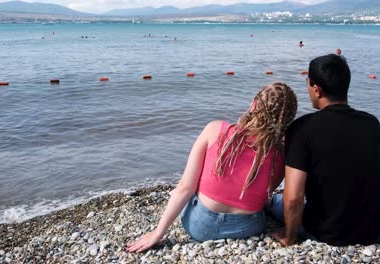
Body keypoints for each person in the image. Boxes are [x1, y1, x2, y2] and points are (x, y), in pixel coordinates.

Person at [127, 83, 298, 253]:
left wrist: (158, 232)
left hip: (199, 226)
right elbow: (266, 191)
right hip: (249, 227)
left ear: (254, 104)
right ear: (288, 119)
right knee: (265, 201)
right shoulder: (282, 153)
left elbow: (186, 187)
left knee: (190, 185)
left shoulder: (215, 129)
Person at [271, 54, 380, 246]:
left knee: (275, 203)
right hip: (375, 227)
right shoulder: (371, 123)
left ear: (317, 89)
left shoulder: (302, 129)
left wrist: (290, 237)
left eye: (308, 84)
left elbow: (293, 197)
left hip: (329, 231)